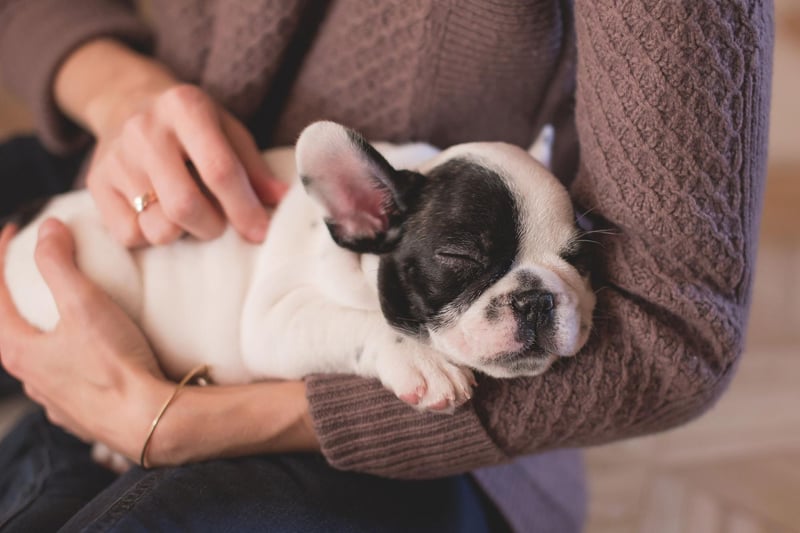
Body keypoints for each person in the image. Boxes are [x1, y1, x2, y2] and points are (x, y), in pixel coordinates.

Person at [0, 0, 773, 531]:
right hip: (119, 228)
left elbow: (676, 331)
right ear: (361, 214)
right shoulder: (376, 209)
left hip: (415, 446)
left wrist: (168, 424)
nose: (536, 298)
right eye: (470, 265)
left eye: (571, 263)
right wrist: (113, 85)